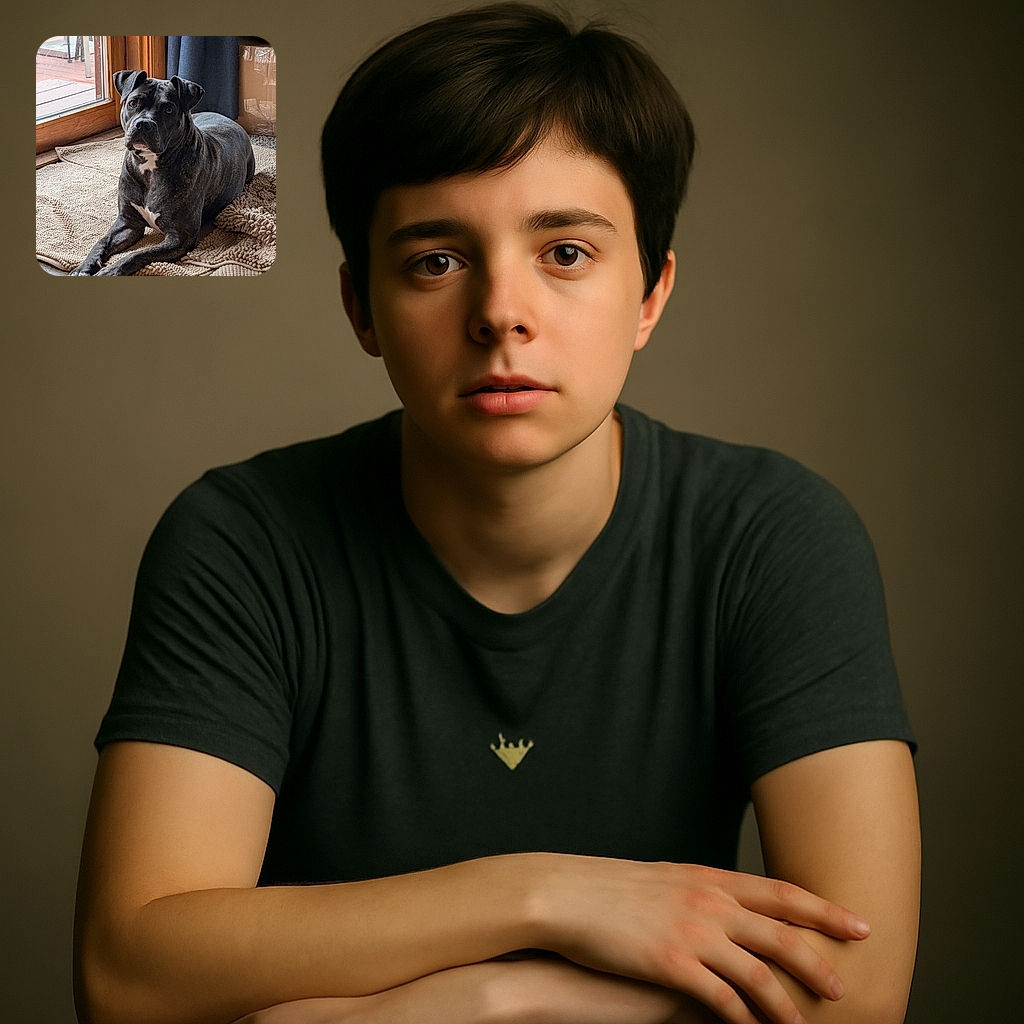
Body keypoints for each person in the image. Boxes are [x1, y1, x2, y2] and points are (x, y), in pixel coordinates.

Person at [73, 5, 920, 1024]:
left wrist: (484, 999)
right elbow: (128, 978)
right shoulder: (242, 540)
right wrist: (544, 899)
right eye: (436, 259)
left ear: (649, 293)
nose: (500, 313)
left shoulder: (774, 536)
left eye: (565, 252)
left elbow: (855, 996)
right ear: (362, 308)